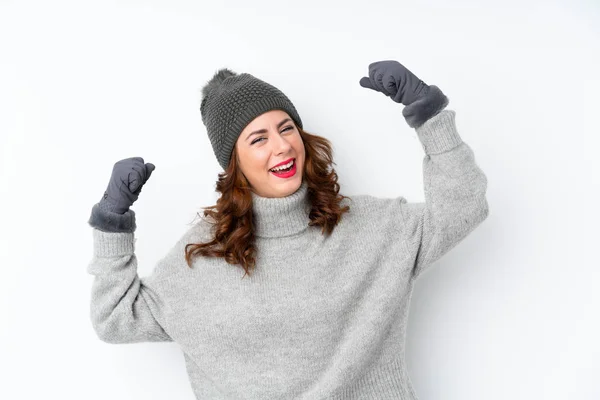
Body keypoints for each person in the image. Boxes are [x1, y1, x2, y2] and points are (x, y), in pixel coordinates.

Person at [87, 60, 489, 399]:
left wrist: (427, 112)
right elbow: (116, 318)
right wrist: (112, 222)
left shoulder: (372, 229)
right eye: (258, 139)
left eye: (286, 128)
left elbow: (462, 208)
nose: (281, 147)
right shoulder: (205, 254)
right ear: (235, 165)